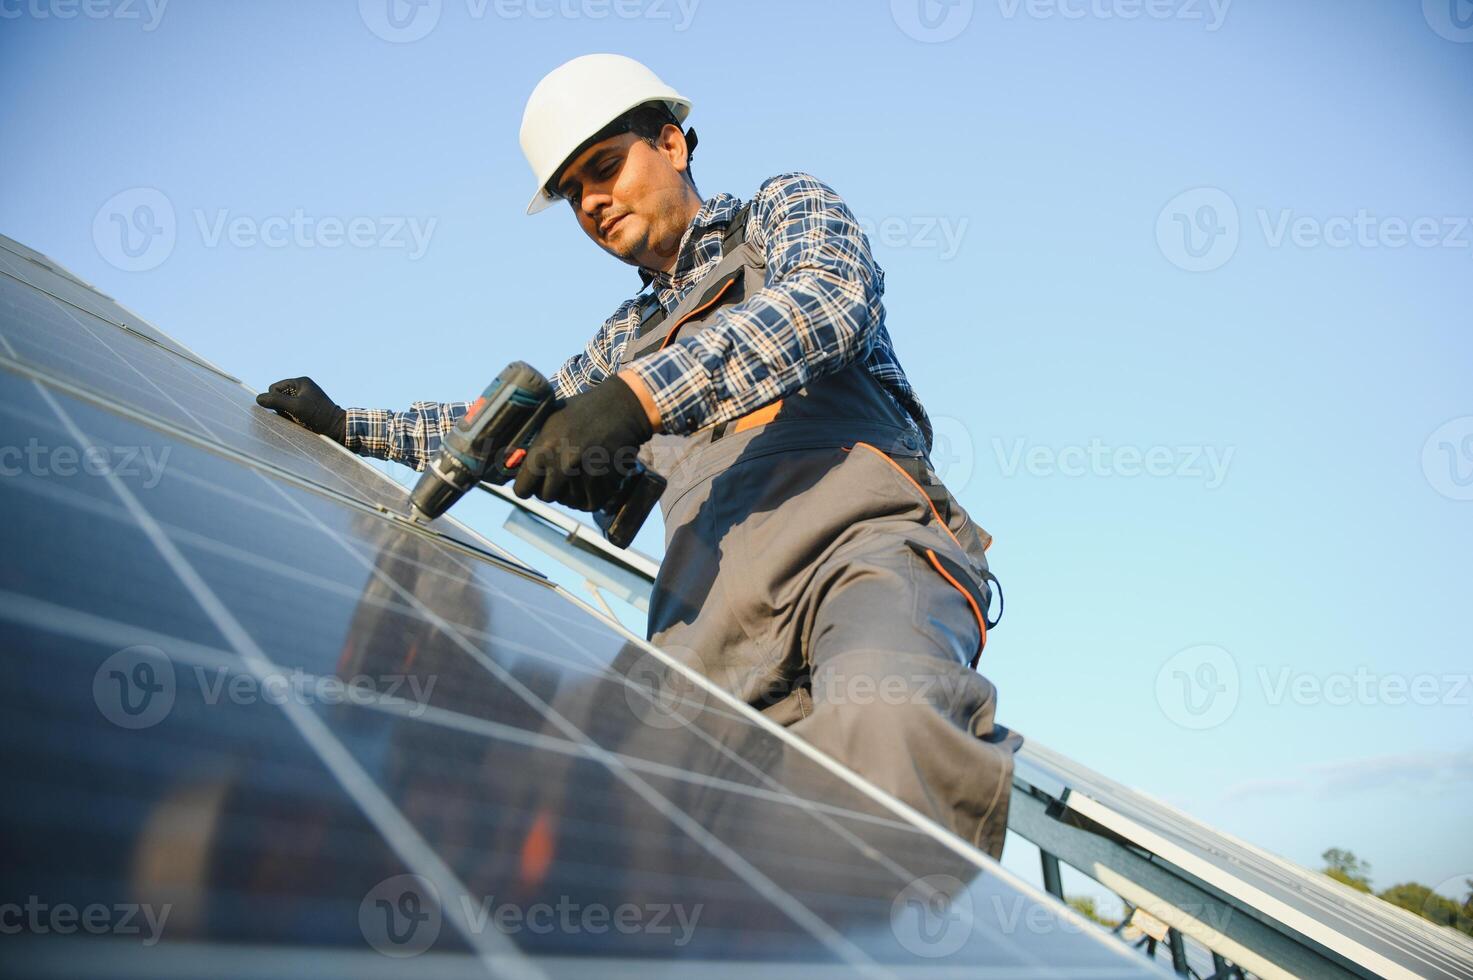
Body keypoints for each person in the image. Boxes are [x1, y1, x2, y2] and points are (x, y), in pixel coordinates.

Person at [257, 53, 1020, 858]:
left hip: (859, 553)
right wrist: (354, 426)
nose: (591, 201)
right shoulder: (622, 339)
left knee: (887, 728)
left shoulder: (780, 209)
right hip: (705, 617)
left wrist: (637, 402)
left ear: (673, 144)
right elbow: (514, 425)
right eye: (572, 193)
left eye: (605, 167)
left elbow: (826, 301)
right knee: (632, 830)